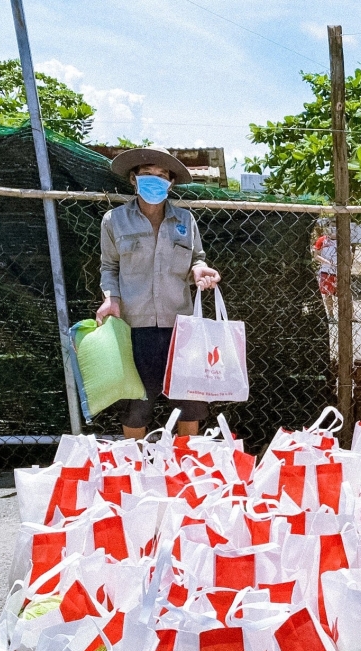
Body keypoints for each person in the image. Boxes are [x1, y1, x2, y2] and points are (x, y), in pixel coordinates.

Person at [96, 146, 222, 439]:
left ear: (171, 183)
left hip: (181, 327)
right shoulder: (114, 221)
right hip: (135, 327)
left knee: (190, 402)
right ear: (133, 179)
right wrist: (110, 299)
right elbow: (108, 266)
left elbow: (196, 259)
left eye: (162, 175)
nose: (155, 179)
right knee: (136, 405)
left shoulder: (185, 221)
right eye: (147, 173)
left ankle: (185, 467)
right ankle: (136, 468)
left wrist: (200, 270)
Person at [312, 221, 338, 320]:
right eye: (331, 226)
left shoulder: (343, 240)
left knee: (345, 293)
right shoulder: (322, 240)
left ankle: (350, 316)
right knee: (328, 294)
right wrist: (327, 262)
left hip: (340, 271)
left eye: (335, 227)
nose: (333, 229)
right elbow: (316, 255)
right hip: (326, 271)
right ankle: (331, 316)